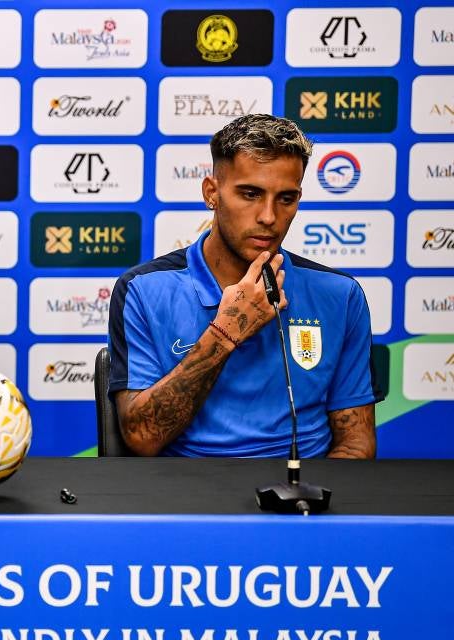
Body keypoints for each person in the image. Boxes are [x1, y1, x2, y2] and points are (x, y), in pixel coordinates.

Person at [108, 114, 376, 458]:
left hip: (300, 499)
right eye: (250, 194)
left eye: (286, 198)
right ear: (211, 193)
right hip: (188, 499)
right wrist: (224, 333)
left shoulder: (340, 295)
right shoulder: (143, 290)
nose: (268, 216)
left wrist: (306, 502)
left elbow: (356, 444)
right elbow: (142, 437)